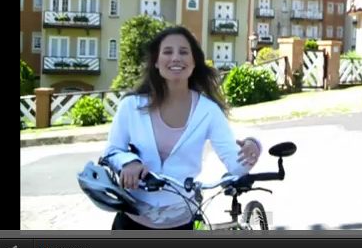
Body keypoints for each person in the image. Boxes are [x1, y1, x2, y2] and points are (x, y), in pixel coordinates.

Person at [102, 26, 262, 230]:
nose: (176, 58)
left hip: (181, 221)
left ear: (194, 62)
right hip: (132, 219)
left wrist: (253, 146)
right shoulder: (131, 106)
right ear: (157, 63)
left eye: (184, 52)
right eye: (167, 52)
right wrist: (128, 162)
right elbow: (111, 152)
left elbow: (235, 166)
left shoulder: (209, 112)